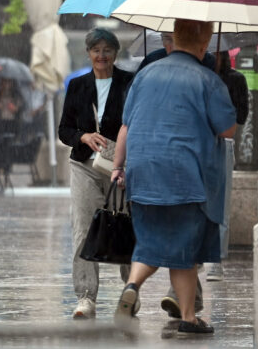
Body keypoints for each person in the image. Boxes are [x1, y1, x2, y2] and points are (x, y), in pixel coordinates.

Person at [111, 19, 236, 337]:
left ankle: (131, 286)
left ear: (173, 38)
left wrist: (118, 166)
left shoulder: (145, 74)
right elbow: (227, 128)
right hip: (184, 173)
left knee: (150, 239)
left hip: (142, 170)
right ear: (204, 44)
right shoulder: (207, 79)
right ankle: (189, 318)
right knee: (184, 247)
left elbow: (126, 124)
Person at [57, 27, 134, 319]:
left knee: (128, 226)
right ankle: (86, 297)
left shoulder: (130, 82)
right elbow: (64, 130)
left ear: (115, 53)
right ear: (89, 53)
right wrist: (84, 137)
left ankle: (130, 291)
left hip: (121, 165)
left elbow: (135, 121)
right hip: (84, 165)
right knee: (83, 230)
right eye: (96, 50)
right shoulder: (77, 86)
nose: (101, 56)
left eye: (107, 50)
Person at [204, 51, 249, 281]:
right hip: (199, 141)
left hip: (224, 142)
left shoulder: (235, 79)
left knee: (221, 202)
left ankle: (216, 260)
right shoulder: (201, 75)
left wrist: (223, 104)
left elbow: (241, 116)